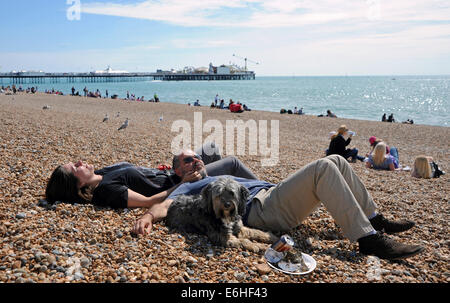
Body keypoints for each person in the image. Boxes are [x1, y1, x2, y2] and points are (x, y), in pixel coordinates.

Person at [134, 152, 423, 260]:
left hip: (270, 195)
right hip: (262, 211)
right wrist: (148, 214)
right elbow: (166, 203)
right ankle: (368, 240)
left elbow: (239, 167)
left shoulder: (217, 172)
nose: (195, 161)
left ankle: (374, 219)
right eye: (186, 160)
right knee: (323, 167)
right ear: (178, 171)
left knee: (336, 160)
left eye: (196, 157)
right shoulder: (193, 184)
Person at [45, 143, 257, 209]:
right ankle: (266, 191)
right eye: (75, 167)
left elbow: (137, 177)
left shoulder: (101, 174)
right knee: (232, 163)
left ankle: (234, 194)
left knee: (210, 150)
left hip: (170, 175)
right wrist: (183, 182)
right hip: (183, 184)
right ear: (79, 184)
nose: (80, 162)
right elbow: (149, 201)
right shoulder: (106, 190)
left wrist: (157, 171)